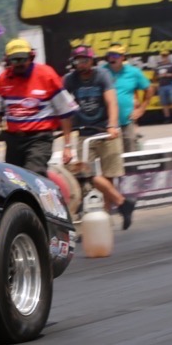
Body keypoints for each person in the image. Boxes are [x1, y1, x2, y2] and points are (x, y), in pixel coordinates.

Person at [63, 45, 136, 230]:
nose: (81, 64)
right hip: (84, 132)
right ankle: (122, 203)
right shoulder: (69, 80)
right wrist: (67, 143)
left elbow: (112, 101)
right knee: (84, 175)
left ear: (92, 61)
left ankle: (106, 219)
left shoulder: (101, 75)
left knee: (109, 176)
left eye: (85, 60)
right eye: (78, 60)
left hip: (105, 130)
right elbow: (64, 108)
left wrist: (112, 125)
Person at [0, 39, 75, 176]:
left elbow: (65, 113)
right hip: (14, 140)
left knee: (34, 174)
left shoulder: (47, 75)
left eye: (23, 59)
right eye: (15, 60)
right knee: (14, 178)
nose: (20, 64)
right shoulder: (2, 80)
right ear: (8, 61)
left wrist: (67, 146)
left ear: (31, 57)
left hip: (39, 138)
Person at [103, 44, 149, 153]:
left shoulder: (133, 72)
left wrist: (141, 109)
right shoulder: (102, 72)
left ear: (122, 57)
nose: (111, 58)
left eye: (115, 55)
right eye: (109, 55)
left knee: (130, 154)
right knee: (111, 155)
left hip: (126, 121)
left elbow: (149, 89)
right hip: (106, 123)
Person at [153, 49, 172, 122]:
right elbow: (154, 77)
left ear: (168, 56)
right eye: (163, 56)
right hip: (161, 86)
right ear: (161, 56)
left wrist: (168, 74)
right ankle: (167, 118)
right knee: (164, 103)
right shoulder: (158, 66)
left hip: (170, 85)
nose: (164, 57)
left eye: (166, 55)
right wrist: (160, 76)